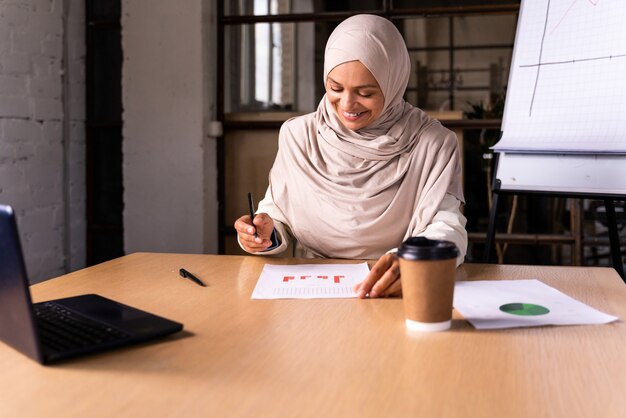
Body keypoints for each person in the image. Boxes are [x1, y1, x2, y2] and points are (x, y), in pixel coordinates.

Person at [234, 14, 467, 298]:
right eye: (335, 88)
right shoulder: (298, 135)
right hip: (311, 289)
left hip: (392, 285)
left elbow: (447, 226)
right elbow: (277, 212)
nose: (347, 104)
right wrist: (264, 232)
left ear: (394, 83)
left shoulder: (433, 144)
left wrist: (415, 260)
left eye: (365, 93)